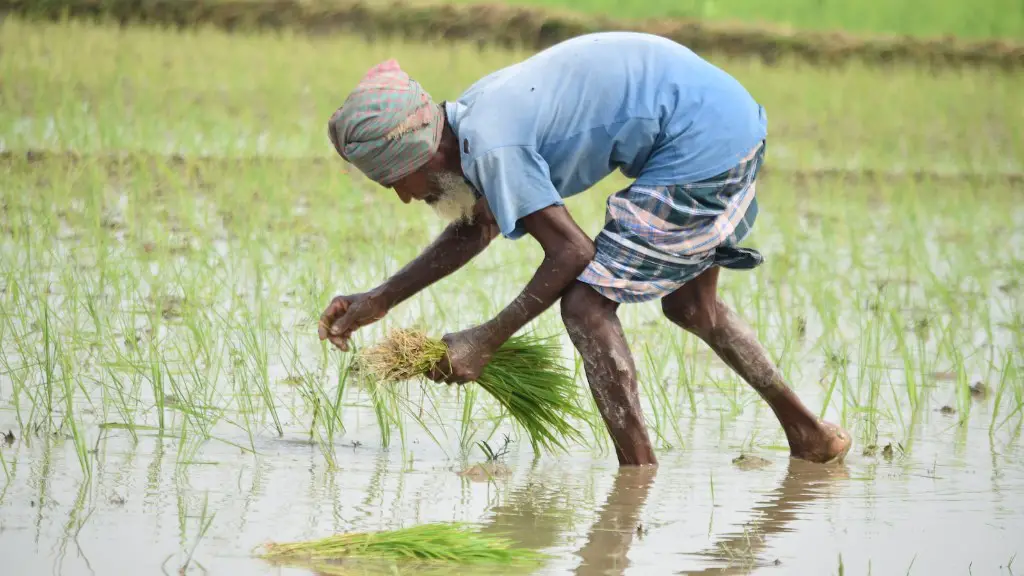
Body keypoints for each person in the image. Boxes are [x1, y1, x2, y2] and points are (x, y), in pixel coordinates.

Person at [318, 31, 851, 466]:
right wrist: (380, 299)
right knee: (693, 307)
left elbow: (572, 252)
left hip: (701, 139)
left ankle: (637, 475)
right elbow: (477, 227)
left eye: (398, 181)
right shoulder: (468, 124)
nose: (405, 198)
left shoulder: (494, 144)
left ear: (425, 154)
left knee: (586, 305)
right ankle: (809, 435)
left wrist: (485, 340)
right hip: (716, 119)